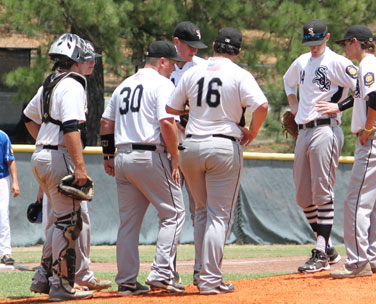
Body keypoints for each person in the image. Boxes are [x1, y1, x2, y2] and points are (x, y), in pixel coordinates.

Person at [166, 27, 268, 294]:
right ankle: (210, 280)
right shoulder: (239, 73)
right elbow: (262, 105)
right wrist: (253, 132)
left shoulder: (192, 71)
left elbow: (171, 108)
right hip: (223, 144)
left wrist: (193, 112)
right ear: (238, 51)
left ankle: (200, 274)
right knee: (219, 215)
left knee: (200, 213)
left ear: (213, 46)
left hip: (191, 146)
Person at [23, 33, 111, 301]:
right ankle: (61, 285)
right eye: (86, 58)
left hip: (41, 156)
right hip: (59, 156)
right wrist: (80, 168)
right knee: (69, 223)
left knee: (58, 222)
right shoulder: (73, 85)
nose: (91, 62)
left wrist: (44, 143)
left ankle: (43, 278)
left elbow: (27, 118)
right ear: (74, 60)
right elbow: (71, 128)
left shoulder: (50, 83)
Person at [100, 41, 186, 295]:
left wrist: (107, 155)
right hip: (150, 155)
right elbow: (167, 123)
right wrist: (175, 157)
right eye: (171, 63)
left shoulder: (124, 84)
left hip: (123, 157)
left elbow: (106, 122)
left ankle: (126, 281)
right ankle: (161, 273)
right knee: (174, 213)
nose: (173, 69)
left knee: (128, 223)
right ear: (161, 61)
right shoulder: (162, 84)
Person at [283, 19, 358, 273]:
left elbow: (362, 87)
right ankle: (329, 249)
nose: (313, 47)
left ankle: (320, 250)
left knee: (322, 192)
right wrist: (294, 108)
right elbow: (287, 81)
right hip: (303, 131)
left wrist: (340, 106)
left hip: (327, 129)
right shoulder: (302, 62)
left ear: (327, 37)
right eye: (310, 43)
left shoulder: (338, 62)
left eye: (317, 42)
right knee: (303, 197)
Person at [323, 25, 376, 278]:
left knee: (355, 203)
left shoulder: (367, 65)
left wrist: (368, 127)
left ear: (356, 41)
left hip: (373, 140)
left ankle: (357, 262)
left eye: (347, 43)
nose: (345, 47)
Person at [170, 20, 207, 286]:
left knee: (199, 211)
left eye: (197, 46)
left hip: (194, 147)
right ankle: (167, 270)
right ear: (176, 43)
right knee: (170, 213)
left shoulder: (204, 67)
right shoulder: (161, 67)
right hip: (169, 148)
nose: (193, 50)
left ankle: (200, 268)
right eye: (189, 46)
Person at [0, 130, 20, 265]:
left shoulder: (2, 136)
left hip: (2, 179)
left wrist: (15, 182)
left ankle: (5, 252)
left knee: (2, 215)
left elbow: (10, 160)